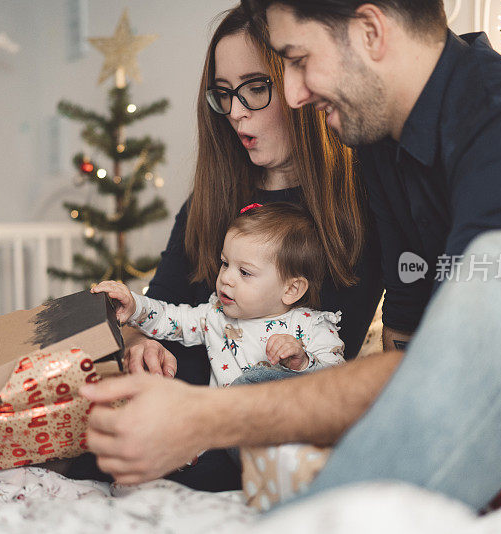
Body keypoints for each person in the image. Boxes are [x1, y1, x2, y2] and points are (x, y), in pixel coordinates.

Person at [78, 0, 501, 511]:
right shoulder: (386, 145)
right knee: (275, 381)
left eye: (299, 61)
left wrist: (205, 416)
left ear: (370, 32)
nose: (293, 95)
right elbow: (406, 349)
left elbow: (479, 349)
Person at [75, 6, 383, 491]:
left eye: (256, 88)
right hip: (174, 421)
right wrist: (141, 346)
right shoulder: (210, 199)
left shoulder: (364, 204)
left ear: (304, 81)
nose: (236, 111)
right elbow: (159, 312)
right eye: (223, 94)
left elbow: (338, 374)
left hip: (264, 432)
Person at [93, 203, 346, 387]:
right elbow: (169, 318)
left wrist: (302, 362)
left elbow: (338, 384)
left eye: (245, 272)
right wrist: (134, 305)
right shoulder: (214, 316)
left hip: (285, 431)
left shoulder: (311, 326)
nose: (226, 277)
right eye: (225, 263)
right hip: (228, 430)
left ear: (291, 290)